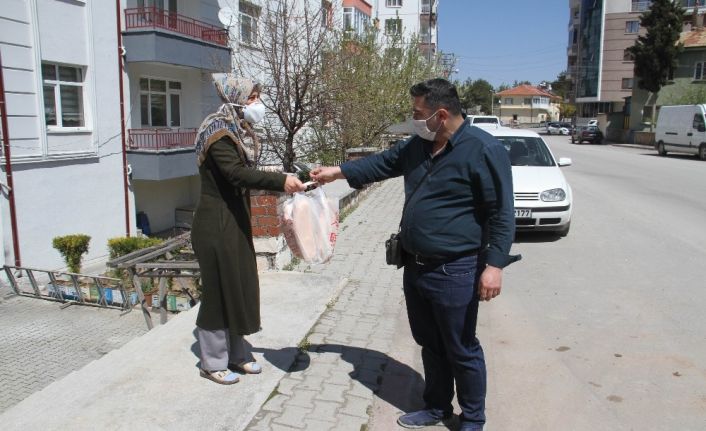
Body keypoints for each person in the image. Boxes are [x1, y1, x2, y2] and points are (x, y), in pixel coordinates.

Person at [311, 78, 519, 430]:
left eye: (417, 113)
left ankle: (473, 419)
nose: (413, 119)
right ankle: (437, 406)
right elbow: (383, 163)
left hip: (457, 268)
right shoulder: (419, 145)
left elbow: (502, 211)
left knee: (460, 347)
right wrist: (339, 172)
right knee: (429, 343)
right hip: (416, 266)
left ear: (441, 114)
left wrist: (495, 264)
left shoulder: (483, 150)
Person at [192, 74, 305, 385]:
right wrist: (280, 181)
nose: (258, 103)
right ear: (235, 98)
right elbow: (236, 174)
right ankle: (213, 361)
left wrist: (283, 175)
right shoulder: (217, 131)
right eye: (252, 97)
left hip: (234, 220)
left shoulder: (237, 130)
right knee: (218, 292)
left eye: (257, 96)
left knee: (239, 285)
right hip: (215, 224)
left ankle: (238, 353)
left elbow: (248, 172)